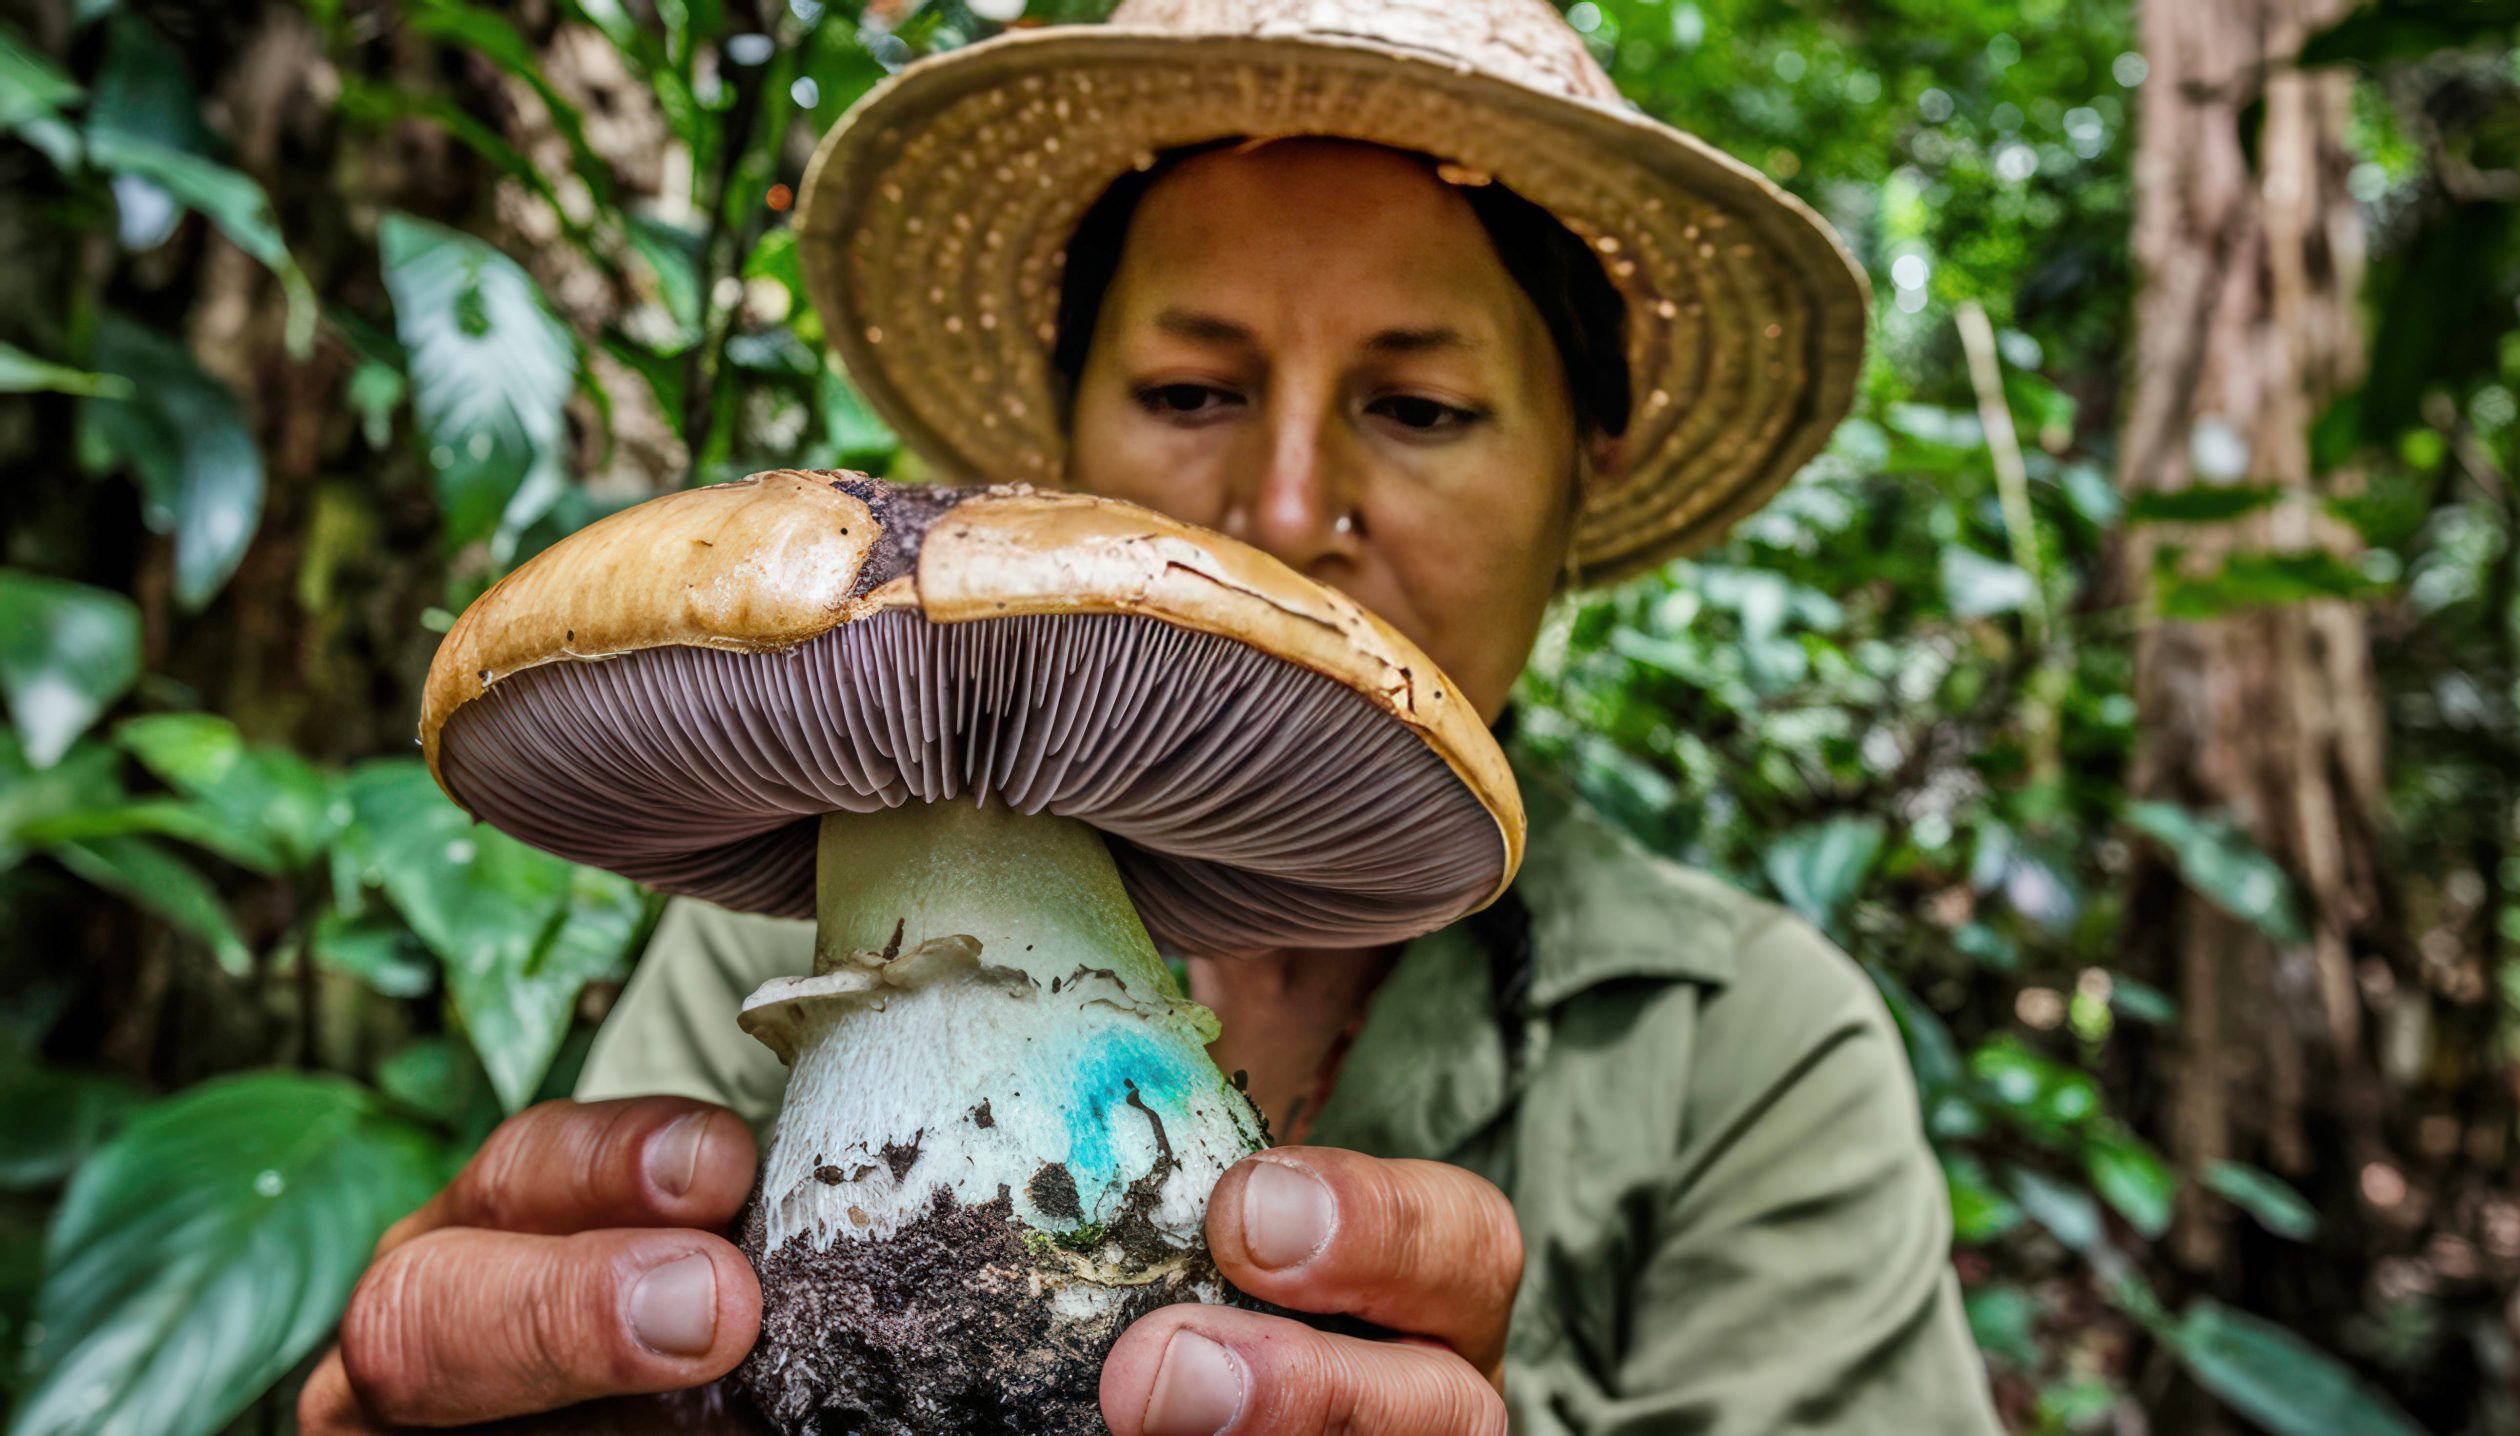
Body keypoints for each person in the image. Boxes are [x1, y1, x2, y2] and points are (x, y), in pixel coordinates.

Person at [301, 1, 1999, 1432]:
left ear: (1585, 470)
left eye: (1417, 404)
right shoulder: (758, 918)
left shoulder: (1760, 1055)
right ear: (1048, 442)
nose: (1285, 506)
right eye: (1189, 391)